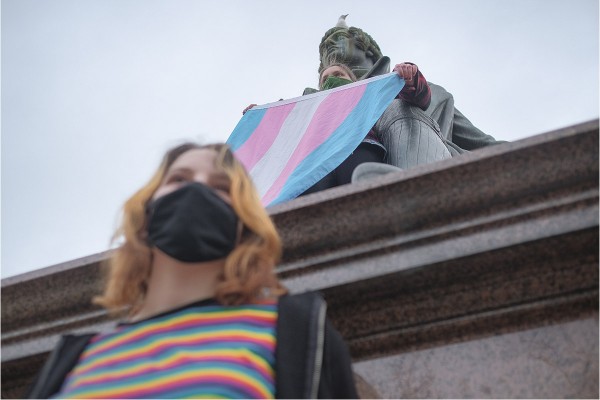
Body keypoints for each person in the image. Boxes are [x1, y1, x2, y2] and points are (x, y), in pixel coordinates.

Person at [26, 142, 358, 399]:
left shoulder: (293, 329)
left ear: (245, 224)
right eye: (179, 179)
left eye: (220, 187)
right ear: (143, 216)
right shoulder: (75, 356)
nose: (196, 189)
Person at [309, 18, 506, 169]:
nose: (330, 47)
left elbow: (482, 143)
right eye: (326, 46)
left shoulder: (431, 91)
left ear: (367, 51)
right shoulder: (308, 107)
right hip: (345, 173)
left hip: (429, 162)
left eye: (339, 40)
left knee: (398, 106)